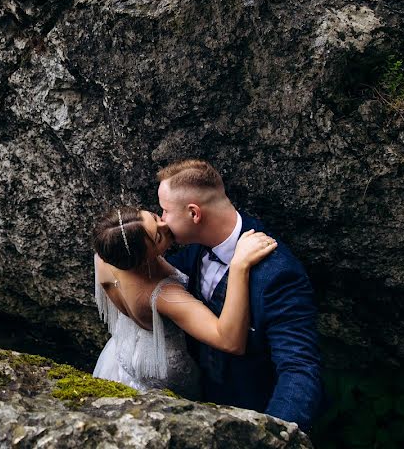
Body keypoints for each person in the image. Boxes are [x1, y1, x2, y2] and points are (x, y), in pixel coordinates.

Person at [158, 159, 322, 430]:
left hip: (254, 410)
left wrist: (272, 436)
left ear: (194, 214)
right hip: (201, 404)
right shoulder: (195, 249)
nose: (162, 221)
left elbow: (299, 369)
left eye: (164, 211)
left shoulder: (278, 274)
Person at [92, 206, 277, 398]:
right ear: (143, 261)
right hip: (162, 368)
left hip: (123, 351)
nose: (166, 226)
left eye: (156, 217)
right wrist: (239, 266)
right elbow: (229, 341)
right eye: (158, 238)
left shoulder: (106, 254)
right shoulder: (162, 294)